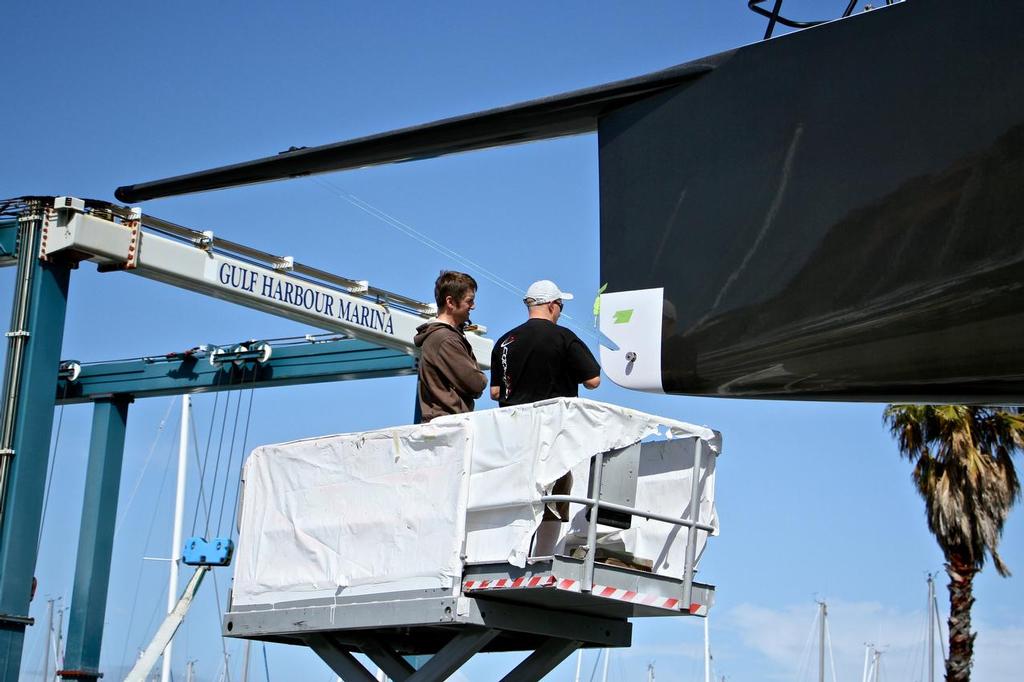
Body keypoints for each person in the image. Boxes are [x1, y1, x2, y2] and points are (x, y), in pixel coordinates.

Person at [490, 279, 601, 406]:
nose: (560, 312)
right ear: (552, 305)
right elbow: (593, 381)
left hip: (513, 421)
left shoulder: (504, 341)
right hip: (554, 420)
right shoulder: (564, 337)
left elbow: (495, 392)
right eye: (561, 306)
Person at [414, 271, 487, 422]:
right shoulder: (446, 339)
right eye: (469, 301)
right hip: (448, 426)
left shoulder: (442, 337)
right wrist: (479, 378)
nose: (473, 306)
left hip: (443, 424)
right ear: (450, 302)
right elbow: (477, 384)